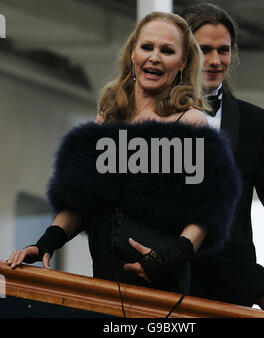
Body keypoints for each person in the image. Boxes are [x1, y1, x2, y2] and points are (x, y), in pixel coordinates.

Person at [6, 12, 241, 296]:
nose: (154, 57)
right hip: (105, 283)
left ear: (182, 63)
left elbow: (208, 209)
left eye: (167, 51)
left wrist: (171, 257)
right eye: (147, 47)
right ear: (133, 53)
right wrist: (45, 243)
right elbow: (80, 197)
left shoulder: (189, 121)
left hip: (158, 287)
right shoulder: (108, 117)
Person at [180, 2, 264, 309]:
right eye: (204, 49)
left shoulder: (257, 124)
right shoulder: (144, 115)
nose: (215, 60)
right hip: (157, 285)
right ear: (181, 51)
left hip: (231, 291)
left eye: (224, 50)